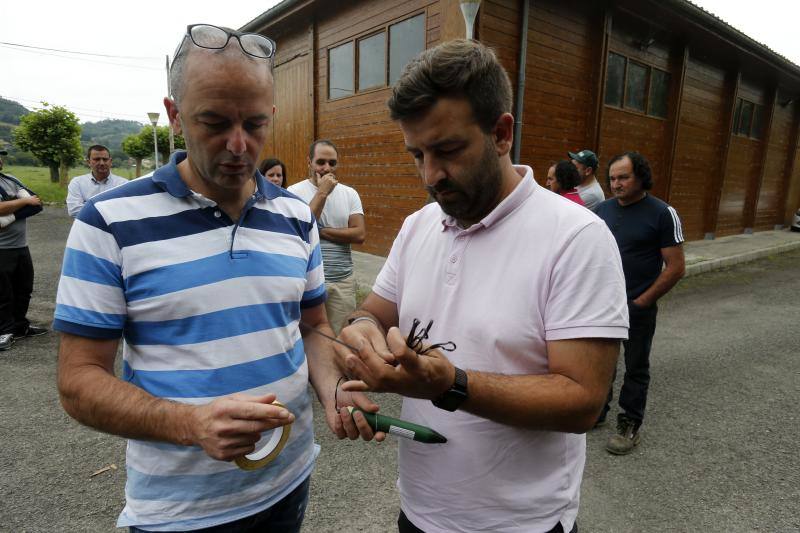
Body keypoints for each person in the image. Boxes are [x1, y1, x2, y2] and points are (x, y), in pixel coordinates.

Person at [53, 24, 376, 532]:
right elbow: (77, 383)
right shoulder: (108, 222)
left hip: (289, 481)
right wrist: (189, 424)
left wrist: (333, 386)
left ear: (272, 115)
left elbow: (312, 327)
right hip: (180, 513)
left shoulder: (295, 216)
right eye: (214, 122)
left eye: (253, 123)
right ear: (174, 115)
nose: (239, 145)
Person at [334, 40, 629, 533]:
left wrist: (450, 385)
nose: (431, 175)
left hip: (523, 523)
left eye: (448, 150)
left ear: (501, 133)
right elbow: (374, 312)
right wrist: (360, 333)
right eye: (417, 154)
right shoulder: (419, 225)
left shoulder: (576, 237)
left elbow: (583, 400)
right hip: (418, 512)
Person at [594, 151, 685, 455]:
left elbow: (675, 267)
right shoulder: (601, 210)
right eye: (612, 178)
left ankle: (629, 424)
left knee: (636, 367)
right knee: (600, 362)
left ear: (640, 177)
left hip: (637, 308)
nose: (616, 184)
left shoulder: (661, 213)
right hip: (603, 306)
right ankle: (598, 410)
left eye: (623, 177)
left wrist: (642, 302)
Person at [288, 140, 365, 334]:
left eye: (332, 163)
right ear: (309, 162)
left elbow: (359, 233)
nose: (326, 168)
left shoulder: (349, 194)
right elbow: (299, 231)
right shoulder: (293, 193)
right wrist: (322, 193)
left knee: (342, 336)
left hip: (342, 281)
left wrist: (321, 231)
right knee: (311, 336)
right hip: (307, 281)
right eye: (320, 162)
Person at [0, 150, 47, 351]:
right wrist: (23, 202)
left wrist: (8, 214)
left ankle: (20, 326)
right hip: (1, 248)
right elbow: (28, 202)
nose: (0, 160)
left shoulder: (11, 179)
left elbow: (37, 203)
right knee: (3, 293)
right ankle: (3, 331)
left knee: (23, 289)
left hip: (20, 245)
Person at [66, 145, 128, 217]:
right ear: (88, 162)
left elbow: (125, 210)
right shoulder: (77, 183)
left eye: (105, 159)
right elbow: (74, 210)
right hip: (86, 228)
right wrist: (111, 210)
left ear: (110, 162)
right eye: (97, 159)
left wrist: (87, 206)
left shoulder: (123, 184)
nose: (102, 163)